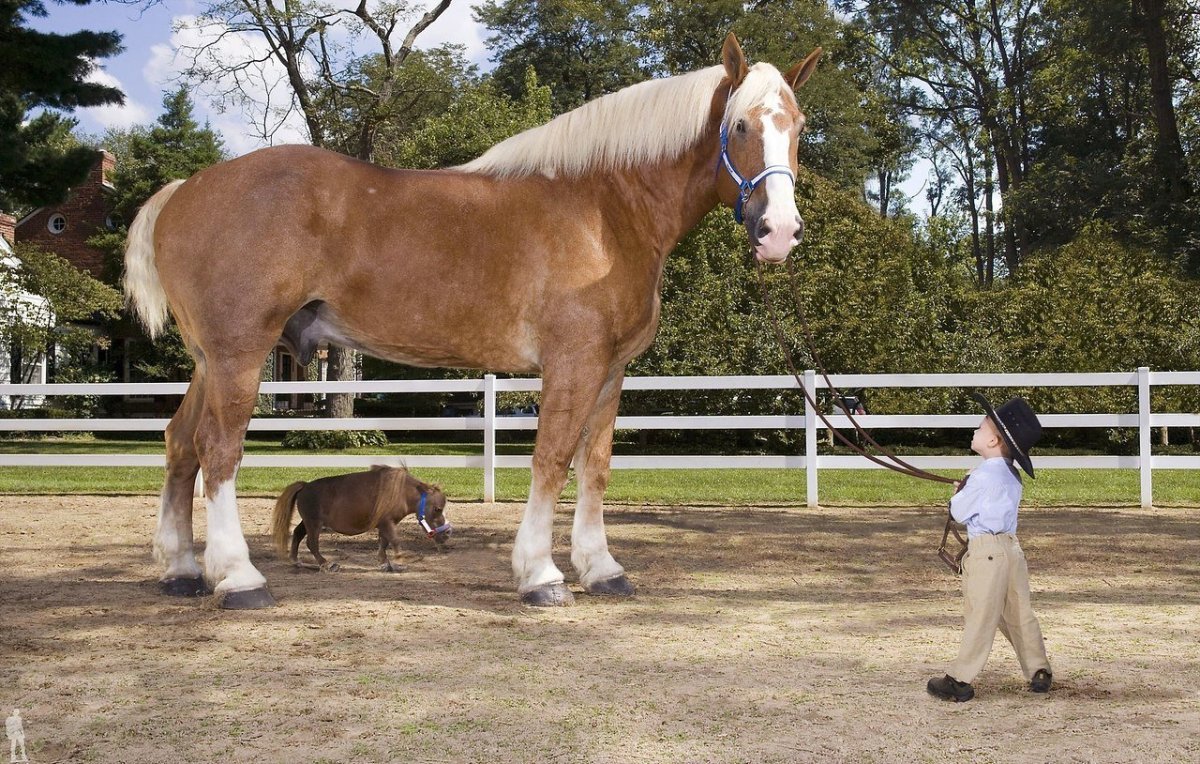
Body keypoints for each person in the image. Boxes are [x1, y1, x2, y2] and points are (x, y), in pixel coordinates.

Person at [927, 393, 1053, 702]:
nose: (976, 429)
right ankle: (1039, 669)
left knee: (981, 615)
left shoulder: (981, 475)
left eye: (982, 427)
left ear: (995, 442)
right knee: (1019, 611)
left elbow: (958, 512)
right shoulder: (1012, 476)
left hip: (986, 553)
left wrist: (960, 492)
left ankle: (959, 679)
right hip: (1011, 550)